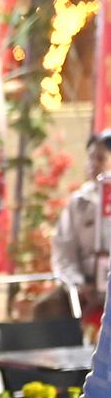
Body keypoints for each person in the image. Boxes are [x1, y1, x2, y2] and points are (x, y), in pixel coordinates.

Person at [48, 130, 111, 324]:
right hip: (84, 287)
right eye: (90, 157)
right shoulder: (78, 203)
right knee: (46, 308)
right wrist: (79, 285)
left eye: (100, 158)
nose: (93, 164)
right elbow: (63, 251)